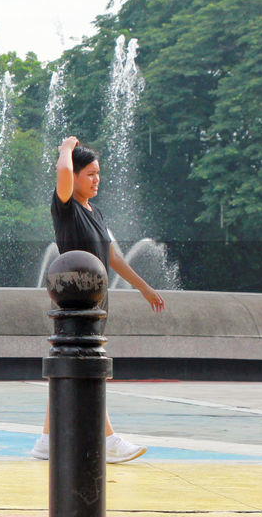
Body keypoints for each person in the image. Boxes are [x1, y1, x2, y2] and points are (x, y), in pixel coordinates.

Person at [32, 136, 165, 465]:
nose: (96, 180)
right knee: (88, 366)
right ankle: (108, 439)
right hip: (75, 298)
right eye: (89, 173)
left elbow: (113, 256)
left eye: (98, 173)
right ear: (74, 176)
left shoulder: (95, 212)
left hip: (95, 297)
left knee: (71, 365)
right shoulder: (67, 207)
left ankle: (47, 441)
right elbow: (62, 173)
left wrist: (143, 288)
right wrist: (65, 149)